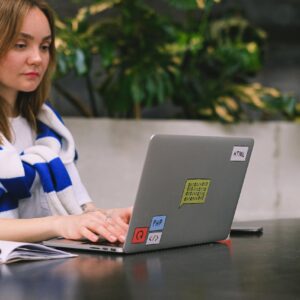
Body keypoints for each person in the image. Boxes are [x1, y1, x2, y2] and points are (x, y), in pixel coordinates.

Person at [0, 0, 132, 243]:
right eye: (21, 45)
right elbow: (63, 222)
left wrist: (105, 219)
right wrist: (61, 224)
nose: (37, 58)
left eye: (45, 46)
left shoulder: (48, 124)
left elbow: (78, 210)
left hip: (45, 267)